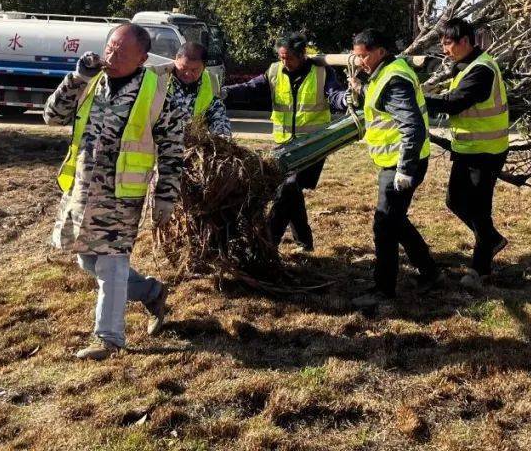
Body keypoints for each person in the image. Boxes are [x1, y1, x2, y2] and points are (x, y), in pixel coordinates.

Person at [44, 23, 188, 360]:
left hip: (121, 194)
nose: (112, 56)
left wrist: (166, 195)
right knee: (87, 259)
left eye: (122, 53)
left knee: (112, 263)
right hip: (82, 190)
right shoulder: (89, 80)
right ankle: (152, 292)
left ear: (142, 58)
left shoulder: (158, 93)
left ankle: (109, 338)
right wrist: (77, 78)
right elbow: (52, 116)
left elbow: (172, 149)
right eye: (110, 48)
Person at [224, 32, 344, 252]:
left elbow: (335, 94)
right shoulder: (274, 71)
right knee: (291, 190)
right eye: (281, 57)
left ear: (302, 55)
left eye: (288, 58)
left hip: (313, 145)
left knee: (287, 187)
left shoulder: (321, 72)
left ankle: (269, 243)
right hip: (284, 146)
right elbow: (251, 88)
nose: (284, 62)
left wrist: (345, 99)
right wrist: (225, 93)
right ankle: (304, 242)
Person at [349, 28, 438, 307]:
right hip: (395, 161)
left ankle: (383, 289)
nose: (360, 62)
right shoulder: (384, 73)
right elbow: (380, 103)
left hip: (401, 163)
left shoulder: (394, 80)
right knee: (395, 220)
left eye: (364, 56)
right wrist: (359, 88)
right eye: (356, 56)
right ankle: (430, 271)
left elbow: (412, 126)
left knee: (385, 224)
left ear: (380, 52)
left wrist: (405, 169)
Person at [424, 18, 510, 289]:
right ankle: (491, 240)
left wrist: (416, 100)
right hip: (468, 148)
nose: (444, 49)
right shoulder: (466, 66)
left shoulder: (481, 69)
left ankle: (480, 270)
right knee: (455, 202)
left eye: (448, 43)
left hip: (486, 151)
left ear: (465, 41)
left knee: (479, 209)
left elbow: (455, 103)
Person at [168, 42, 231, 136]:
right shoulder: (161, 77)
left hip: (191, 141)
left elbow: (218, 115)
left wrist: (221, 135)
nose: (187, 74)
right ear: (176, 59)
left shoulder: (211, 81)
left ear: (204, 67)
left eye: (194, 70)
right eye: (183, 68)